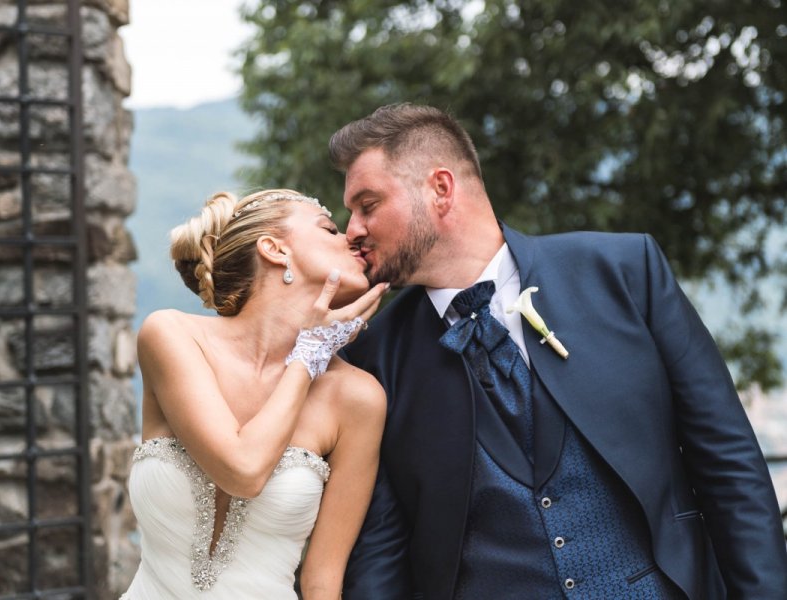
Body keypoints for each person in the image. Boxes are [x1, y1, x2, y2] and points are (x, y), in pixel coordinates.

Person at [331, 104, 787, 599]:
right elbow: (380, 552)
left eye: (368, 204)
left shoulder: (625, 272)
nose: (351, 228)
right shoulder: (375, 356)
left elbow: (728, 463)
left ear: (440, 189)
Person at [121, 189, 389, 600]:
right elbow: (242, 469)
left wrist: (312, 354)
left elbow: (322, 583)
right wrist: (309, 354)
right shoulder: (172, 335)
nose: (349, 238)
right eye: (330, 228)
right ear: (274, 249)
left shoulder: (357, 399)